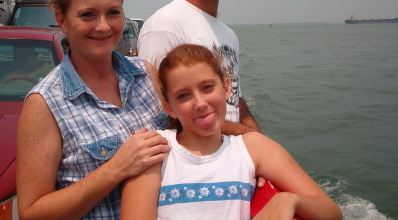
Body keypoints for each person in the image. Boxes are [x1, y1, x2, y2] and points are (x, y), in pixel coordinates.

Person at [16, 0, 171, 220]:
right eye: (88, 14)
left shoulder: (146, 73)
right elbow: (32, 213)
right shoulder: (44, 105)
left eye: (113, 12)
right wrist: (115, 170)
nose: (103, 26)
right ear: (62, 20)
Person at [121, 44, 343, 220]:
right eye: (183, 96)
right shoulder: (155, 151)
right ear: (169, 108)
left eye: (207, 87)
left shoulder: (253, 148)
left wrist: (288, 200)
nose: (200, 103)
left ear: (227, 88)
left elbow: (331, 212)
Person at [138, 0, 259, 135]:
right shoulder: (165, 25)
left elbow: (234, 101)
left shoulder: (229, 35)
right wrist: (248, 137)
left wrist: (259, 143)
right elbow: (163, 115)